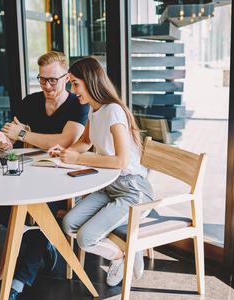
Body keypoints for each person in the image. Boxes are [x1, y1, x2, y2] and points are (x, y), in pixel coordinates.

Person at [0, 51, 89, 300]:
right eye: (42, 79)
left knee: (42, 214)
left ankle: (18, 283)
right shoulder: (31, 101)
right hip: (30, 169)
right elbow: (10, 133)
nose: (47, 86)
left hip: (60, 174)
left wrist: (23, 135)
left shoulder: (78, 104)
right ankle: (43, 243)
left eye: (53, 80)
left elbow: (65, 140)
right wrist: (4, 143)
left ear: (66, 78)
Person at [48, 56, 154, 287]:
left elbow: (122, 161)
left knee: (86, 238)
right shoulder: (93, 110)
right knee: (69, 223)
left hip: (133, 190)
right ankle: (126, 246)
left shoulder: (113, 111)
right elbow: (85, 141)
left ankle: (120, 256)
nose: (72, 89)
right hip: (109, 186)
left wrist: (78, 159)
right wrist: (64, 152)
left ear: (90, 81)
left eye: (75, 83)